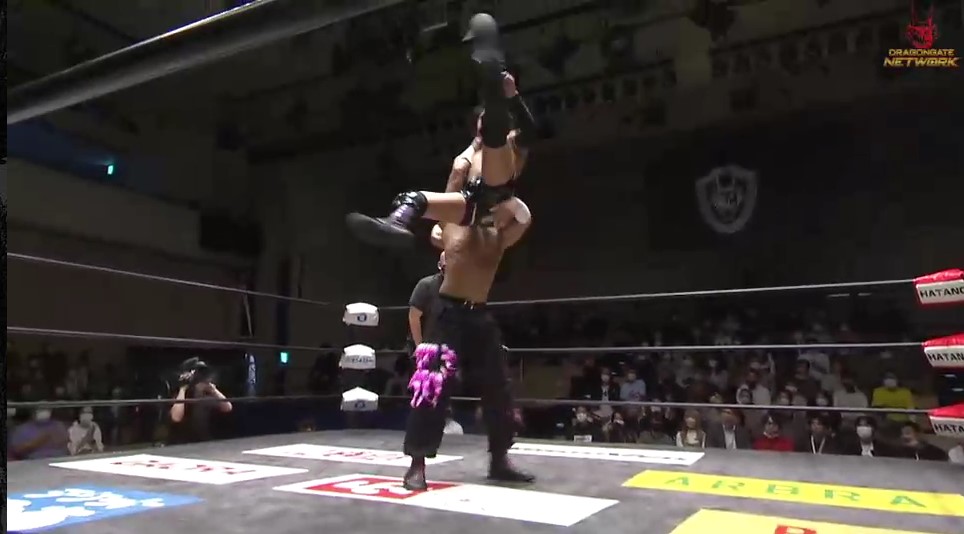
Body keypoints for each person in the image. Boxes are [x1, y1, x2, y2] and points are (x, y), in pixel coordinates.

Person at [346, 13, 537, 250]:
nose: (479, 123)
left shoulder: (512, 141)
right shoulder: (473, 150)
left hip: (497, 193)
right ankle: (395, 224)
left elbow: (529, 131)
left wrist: (512, 97)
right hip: (473, 203)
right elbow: (456, 180)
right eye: (478, 121)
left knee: (495, 131)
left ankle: (492, 69)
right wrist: (444, 224)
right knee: (412, 200)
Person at [168, 358, 233, 445]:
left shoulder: (207, 395)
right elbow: (176, 418)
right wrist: (183, 388)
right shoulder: (179, 394)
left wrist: (213, 390)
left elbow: (228, 407)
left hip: (203, 441)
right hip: (181, 443)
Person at [408, 251, 446, 346]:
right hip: (430, 345)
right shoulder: (426, 285)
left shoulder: (461, 287)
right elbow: (414, 316)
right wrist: (420, 346)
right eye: (445, 268)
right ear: (439, 266)